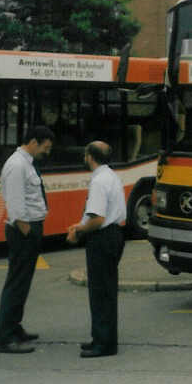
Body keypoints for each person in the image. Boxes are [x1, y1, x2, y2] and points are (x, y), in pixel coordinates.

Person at [0, 126, 54, 354]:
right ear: (33, 142)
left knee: (22, 283)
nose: (47, 152)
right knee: (16, 284)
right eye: (45, 147)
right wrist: (28, 233)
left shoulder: (26, 163)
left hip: (29, 229)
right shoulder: (17, 165)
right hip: (23, 231)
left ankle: (14, 328)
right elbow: (16, 207)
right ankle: (5, 338)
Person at [66, 141, 126, 358]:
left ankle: (104, 344)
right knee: (106, 290)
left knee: (100, 292)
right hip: (114, 235)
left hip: (102, 238)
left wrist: (78, 230)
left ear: (90, 157)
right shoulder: (111, 176)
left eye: (85, 154)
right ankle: (101, 338)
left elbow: (97, 219)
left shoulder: (99, 181)